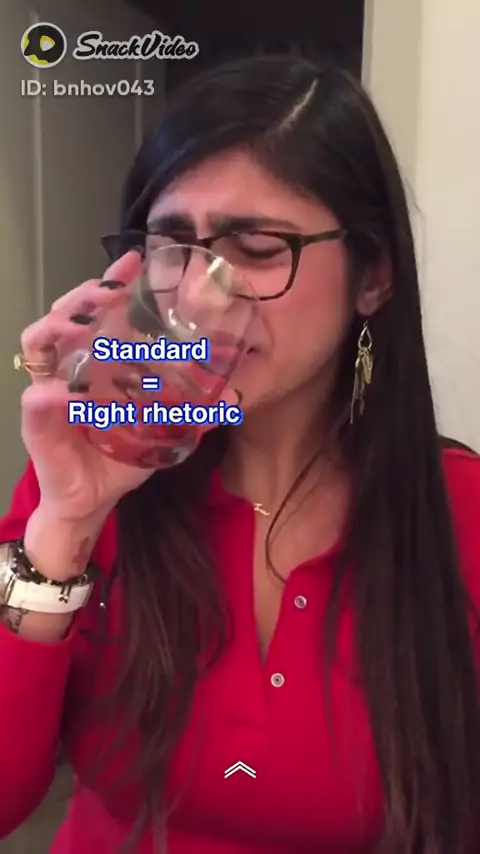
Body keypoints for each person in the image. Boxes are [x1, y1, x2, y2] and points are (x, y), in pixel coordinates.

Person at [0, 54, 479, 854]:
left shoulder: (458, 515)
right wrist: (67, 524)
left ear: (374, 276)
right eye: (172, 245)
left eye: (256, 248)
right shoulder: (92, 476)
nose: (197, 295)